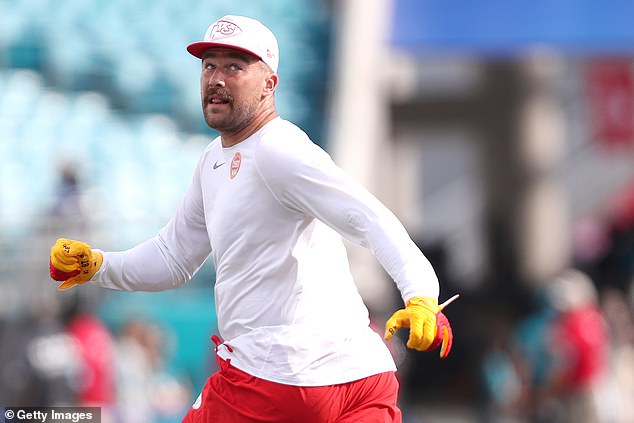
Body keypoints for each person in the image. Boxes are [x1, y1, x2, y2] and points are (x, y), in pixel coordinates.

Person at [49, 15, 455, 422]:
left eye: (234, 66)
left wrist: (420, 294)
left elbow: (367, 217)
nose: (216, 78)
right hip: (361, 377)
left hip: (277, 378)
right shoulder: (213, 160)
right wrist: (98, 265)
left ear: (269, 84)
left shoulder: (278, 148)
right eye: (209, 65)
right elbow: (173, 257)